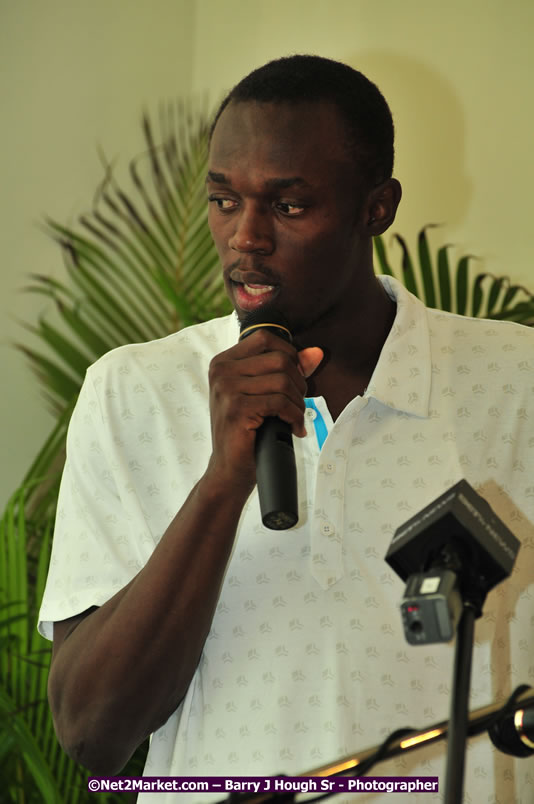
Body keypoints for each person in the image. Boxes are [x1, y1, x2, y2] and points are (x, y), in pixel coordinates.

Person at [39, 55, 534, 803]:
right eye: (223, 199)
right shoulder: (132, 391)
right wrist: (222, 481)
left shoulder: (514, 381)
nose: (245, 238)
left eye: (288, 206)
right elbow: (91, 731)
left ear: (377, 208)